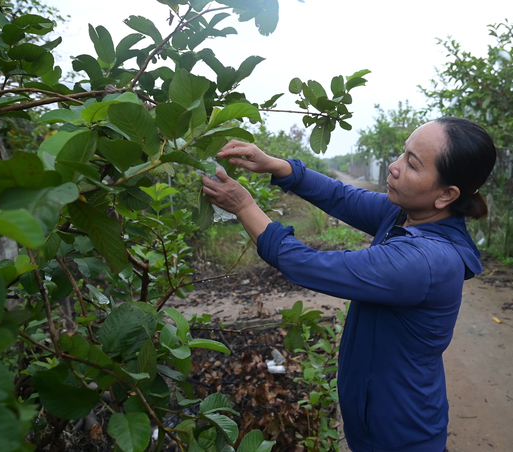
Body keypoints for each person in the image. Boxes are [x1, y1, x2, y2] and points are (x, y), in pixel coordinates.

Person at [201, 117, 497, 452]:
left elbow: (307, 264)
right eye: (402, 154)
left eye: (412, 165)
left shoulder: (424, 261)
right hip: (378, 421)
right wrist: (277, 166)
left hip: (400, 436)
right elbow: (340, 196)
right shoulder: (406, 214)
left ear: (446, 195)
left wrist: (243, 206)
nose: (394, 166)